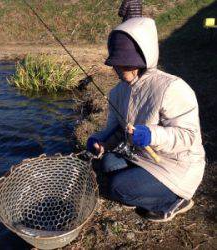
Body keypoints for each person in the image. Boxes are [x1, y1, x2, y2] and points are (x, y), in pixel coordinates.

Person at [86, 17, 206, 222]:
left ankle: (175, 201)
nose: (121, 69)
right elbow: (116, 131)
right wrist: (101, 142)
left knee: (118, 188)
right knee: (107, 163)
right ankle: (143, 185)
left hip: (175, 166)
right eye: (117, 63)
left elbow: (188, 136)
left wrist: (151, 135)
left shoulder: (172, 87)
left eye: (127, 63)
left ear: (142, 60)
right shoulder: (117, 92)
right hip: (142, 156)